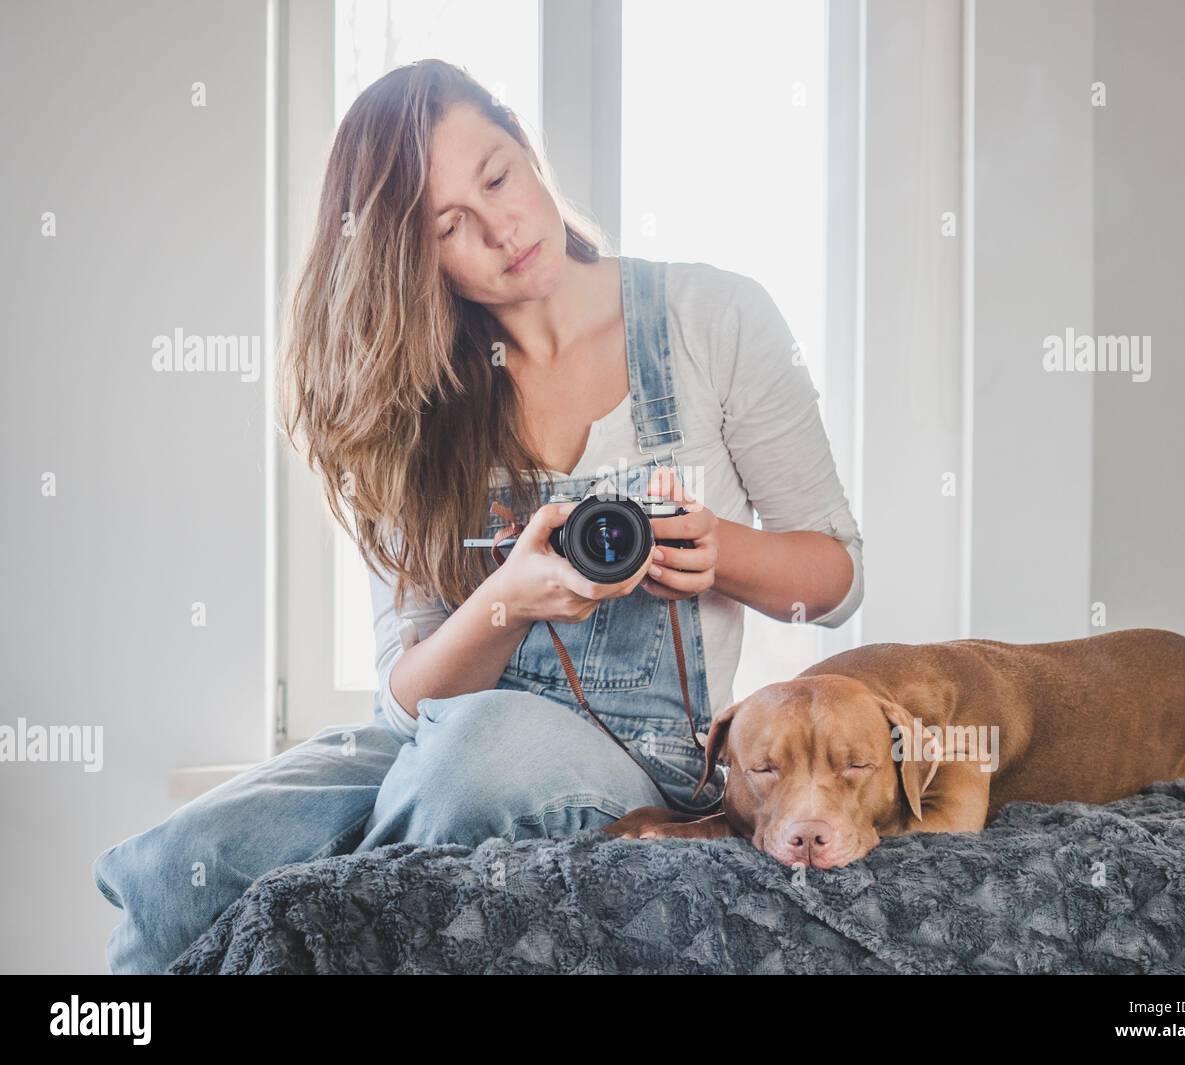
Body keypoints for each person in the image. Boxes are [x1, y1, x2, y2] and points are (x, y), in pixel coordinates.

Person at [91, 58, 864, 975]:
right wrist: (510, 598)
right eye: (450, 224)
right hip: (436, 742)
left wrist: (719, 552)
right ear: (414, 259)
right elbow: (408, 697)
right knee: (184, 862)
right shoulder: (412, 397)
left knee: (477, 759)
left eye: (496, 176)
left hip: (639, 761)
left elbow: (837, 577)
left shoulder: (712, 317)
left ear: (525, 149)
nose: (500, 228)